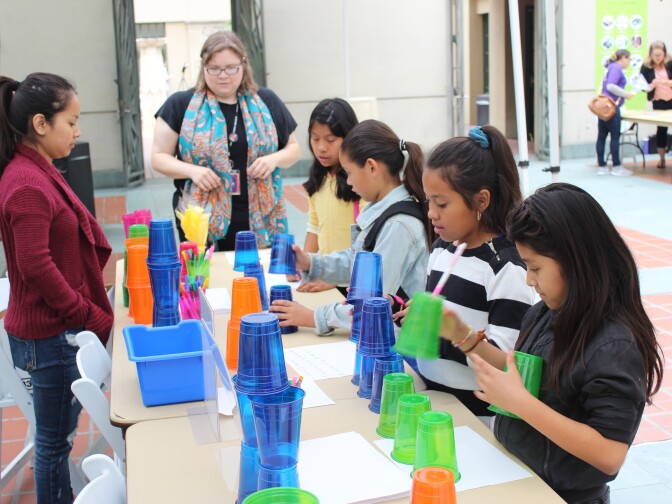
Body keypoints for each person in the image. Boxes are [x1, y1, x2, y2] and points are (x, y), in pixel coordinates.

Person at [470, 183, 663, 504]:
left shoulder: (614, 345)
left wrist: (519, 403)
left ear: (576, 261)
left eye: (535, 267)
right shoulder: (543, 313)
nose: (529, 280)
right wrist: (466, 340)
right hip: (521, 477)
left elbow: (610, 454)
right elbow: (526, 377)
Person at [0, 73, 113, 503]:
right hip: (49, 336)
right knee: (52, 444)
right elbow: (35, 265)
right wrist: (84, 313)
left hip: (53, 331)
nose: (78, 131)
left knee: (54, 440)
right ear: (41, 123)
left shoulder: (34, 169)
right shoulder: (26, 181)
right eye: (72, 121)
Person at [406, 125, 536, 421]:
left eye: (441, 203)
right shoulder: (442, 249)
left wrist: (458, 335)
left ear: (481, 201)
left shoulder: (504, 267)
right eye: (429, 201)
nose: (431, 213)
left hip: (479, 416)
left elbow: (508, 363)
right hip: (436, 401)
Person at [270, 119, 431, 334]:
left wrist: (312, 317)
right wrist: (310, 262)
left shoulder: (397, 226)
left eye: (349, 172)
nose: (349, 181)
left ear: (372, 167)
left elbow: (372, 304)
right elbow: (359, 262)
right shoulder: (383, 212)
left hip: (397, 346)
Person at [151, 31, 300, 250]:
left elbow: (293, 149)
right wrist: (193, 171)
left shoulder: (266, 101)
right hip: (201, 214)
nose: (223, 75)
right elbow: (158, 158)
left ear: (243, 65)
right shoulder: (180, 104)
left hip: (260, 212)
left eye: (231, 68)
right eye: (214, 68)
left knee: (256, 276)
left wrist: (273, 159)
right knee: (206, 278)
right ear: (204, 67)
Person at [294, 98, 361, 294]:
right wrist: (304, 264)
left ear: (348, 138)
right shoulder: (319, 177)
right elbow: (314, 226)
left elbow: (368, 242)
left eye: (330, 140)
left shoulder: (359, 182)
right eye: (315, 139)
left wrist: (334, 279)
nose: (321, 147)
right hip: (324, 278)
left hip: (351, 281)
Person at [596, 49, 636, 176]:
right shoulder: (616, 68)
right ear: (623, 58)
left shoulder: (610, 67)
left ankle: (602, 165)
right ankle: (616, 166)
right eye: (629, 59)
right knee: (614, 137)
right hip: (611, 106)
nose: (629, 62)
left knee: (602, 137)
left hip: (603, 105)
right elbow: (610, 86)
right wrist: (626, 94)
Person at [639, 41, 672, 169]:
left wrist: (669, 82)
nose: (658, 57)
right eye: (655, 55)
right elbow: (641, 86)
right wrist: (651, 85)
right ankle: (662, 159)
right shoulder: (646, 67)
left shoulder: (670, 64)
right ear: (651, 54)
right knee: (662, 129)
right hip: (658, 102)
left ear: (665, 54)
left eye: (660, 54)